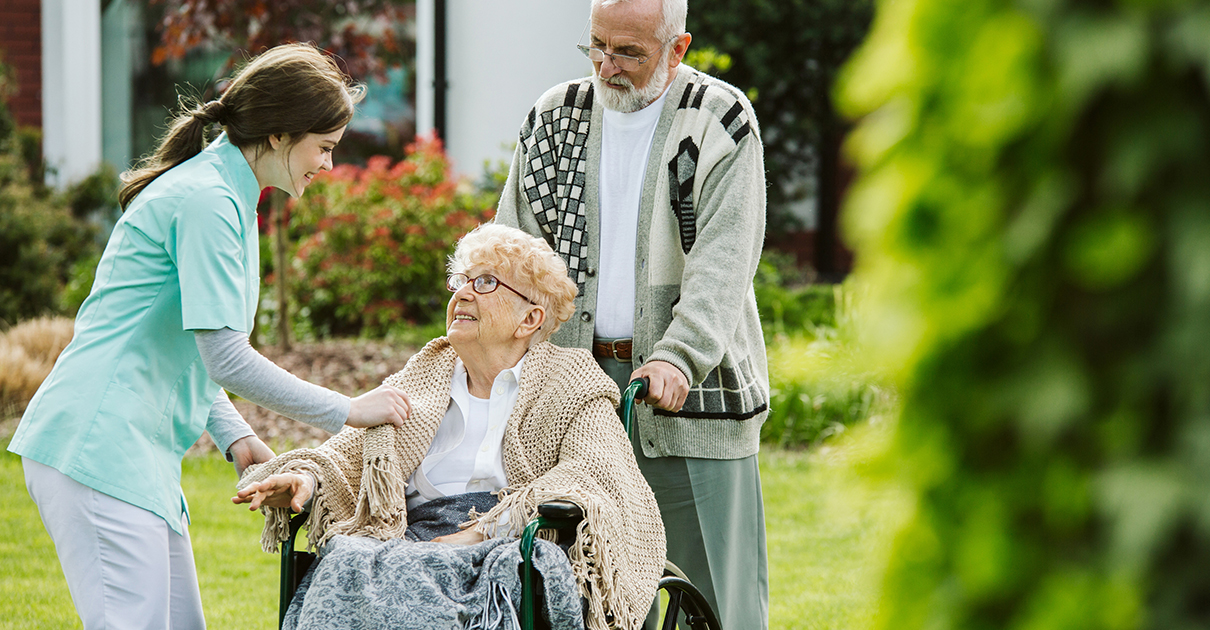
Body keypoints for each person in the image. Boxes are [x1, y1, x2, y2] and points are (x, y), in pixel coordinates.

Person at [7, 44, 412, 630]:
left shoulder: (228, 197)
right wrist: (348, 410)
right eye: (323, 148)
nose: (327, 165)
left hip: (131, 456)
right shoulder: (208, 201)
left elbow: (191, 347)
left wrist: (237, 437)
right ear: (278, 135)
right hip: (95, 450)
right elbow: (225, 356)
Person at [235, 224, 665, 630]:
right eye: (460, 280)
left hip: (511, 542)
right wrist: (306, 479)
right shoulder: (426, 372)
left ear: (530, 319)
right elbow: (348, 453)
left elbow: (593, 473)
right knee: (347, 558)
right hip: (407, 537)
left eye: (485, 283)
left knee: (453, 573)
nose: (462, 294)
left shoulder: (570, 380)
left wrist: (482, 529)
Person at [493, 0, 770, 627]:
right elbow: (514, 248)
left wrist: (678, 353)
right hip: (572, 393)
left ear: (678, 49)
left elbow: (724, 264)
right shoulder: (552, 117)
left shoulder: (720, 119)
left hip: (692, 395)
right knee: (591, 598)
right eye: (596, 46)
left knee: (716, 605)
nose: (606, 66)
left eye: (628, 53)